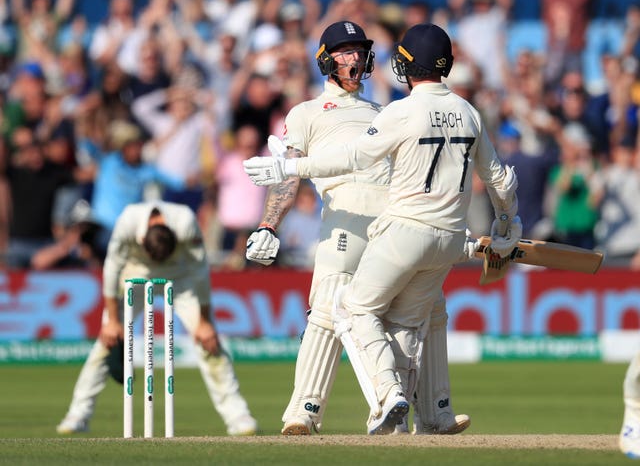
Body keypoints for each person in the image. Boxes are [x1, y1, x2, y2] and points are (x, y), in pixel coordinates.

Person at [244, 23, 521, 435]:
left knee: (427, 313)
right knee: (328, 310)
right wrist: (268, 224)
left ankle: (426, 411)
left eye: (359, 50)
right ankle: (305, 411)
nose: (354, 58)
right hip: (346, 219)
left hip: (395, 219)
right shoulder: (305, 112)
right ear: (324, 59)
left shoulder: (387, 111)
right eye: (344, 51)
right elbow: (291, 173)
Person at [56, 201, 258, 436]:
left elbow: (200, 272)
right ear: (142, 240)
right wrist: (112, 321)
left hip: (179, 278)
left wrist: (204, 322)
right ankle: (78, 415)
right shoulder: (129, 221)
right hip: (134, 274)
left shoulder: (184, 221)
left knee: (209, 341)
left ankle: (238, 416)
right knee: (106, 342)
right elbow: (111, 269)